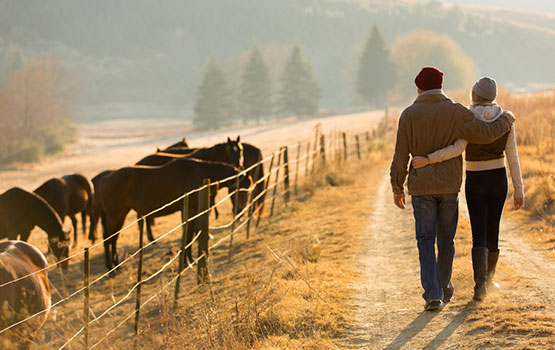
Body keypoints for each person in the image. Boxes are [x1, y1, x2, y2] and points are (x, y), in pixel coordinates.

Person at [390, 67, 514, 311]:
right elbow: (485, 134)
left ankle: (433, 294)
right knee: (446, 239)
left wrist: (397, 186)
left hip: (421, 186)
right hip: (449, 186)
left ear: (418, 87)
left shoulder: (408, 115)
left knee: (425, 239)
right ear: (441, 85)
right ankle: (445, 286)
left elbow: (400, 155)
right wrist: (506, 119)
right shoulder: (456, 112)